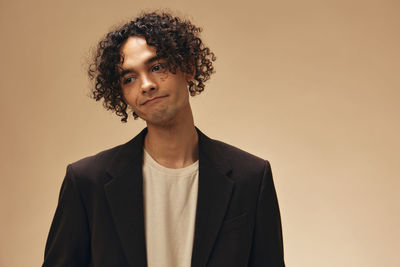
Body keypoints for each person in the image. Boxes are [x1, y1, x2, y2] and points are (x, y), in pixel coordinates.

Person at [43, 11, 285, 267]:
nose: (146, 85)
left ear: (189, 67)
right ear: (122, 94)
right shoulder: (86, 183)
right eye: (129, 78)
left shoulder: (251, 178)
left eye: (157, 67)